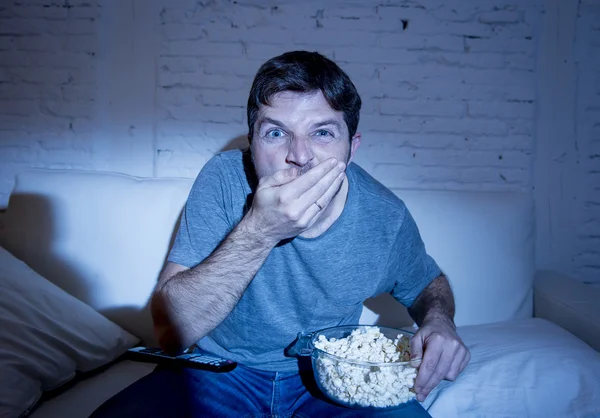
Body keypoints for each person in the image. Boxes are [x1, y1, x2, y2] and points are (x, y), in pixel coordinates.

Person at [91, 50, 470, 418]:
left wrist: (439, 321)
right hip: (220, 373)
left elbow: (429, 285)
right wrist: (260, 230)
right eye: (276, 133)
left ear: (351, 149)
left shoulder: (384, 215)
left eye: (322, 133)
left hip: (334, 380)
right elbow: (171, 332)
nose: (300, 156)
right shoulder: (224, 179)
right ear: (252, 144)